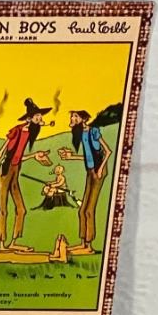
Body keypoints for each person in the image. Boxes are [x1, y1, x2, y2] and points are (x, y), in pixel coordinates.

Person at [0, 98, 54, 253]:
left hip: (15, 171)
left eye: (40, 117)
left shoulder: (29, 133)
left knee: (21, 209)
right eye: (37, 116)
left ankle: (13, 242)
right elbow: (2, 152)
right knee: (3, 209)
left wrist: (34, 156)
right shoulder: (17, 131)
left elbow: (18, 157)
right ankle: (1, 244)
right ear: (29, 119)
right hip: (5, 173)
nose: (40, 119)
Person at [58, 109, 112, 255]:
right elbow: (88, 156)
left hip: (98, 171)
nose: (72, 118)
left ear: (83, 119)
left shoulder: (94, 131)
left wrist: (100, 169)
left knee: (89, 210)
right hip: (90, 171)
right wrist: (71, 157)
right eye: (72, 116)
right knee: (82, 210)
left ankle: (89, 246)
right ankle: (83, 243)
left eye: (75, 116)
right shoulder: (81, 134)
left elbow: (108, 151)